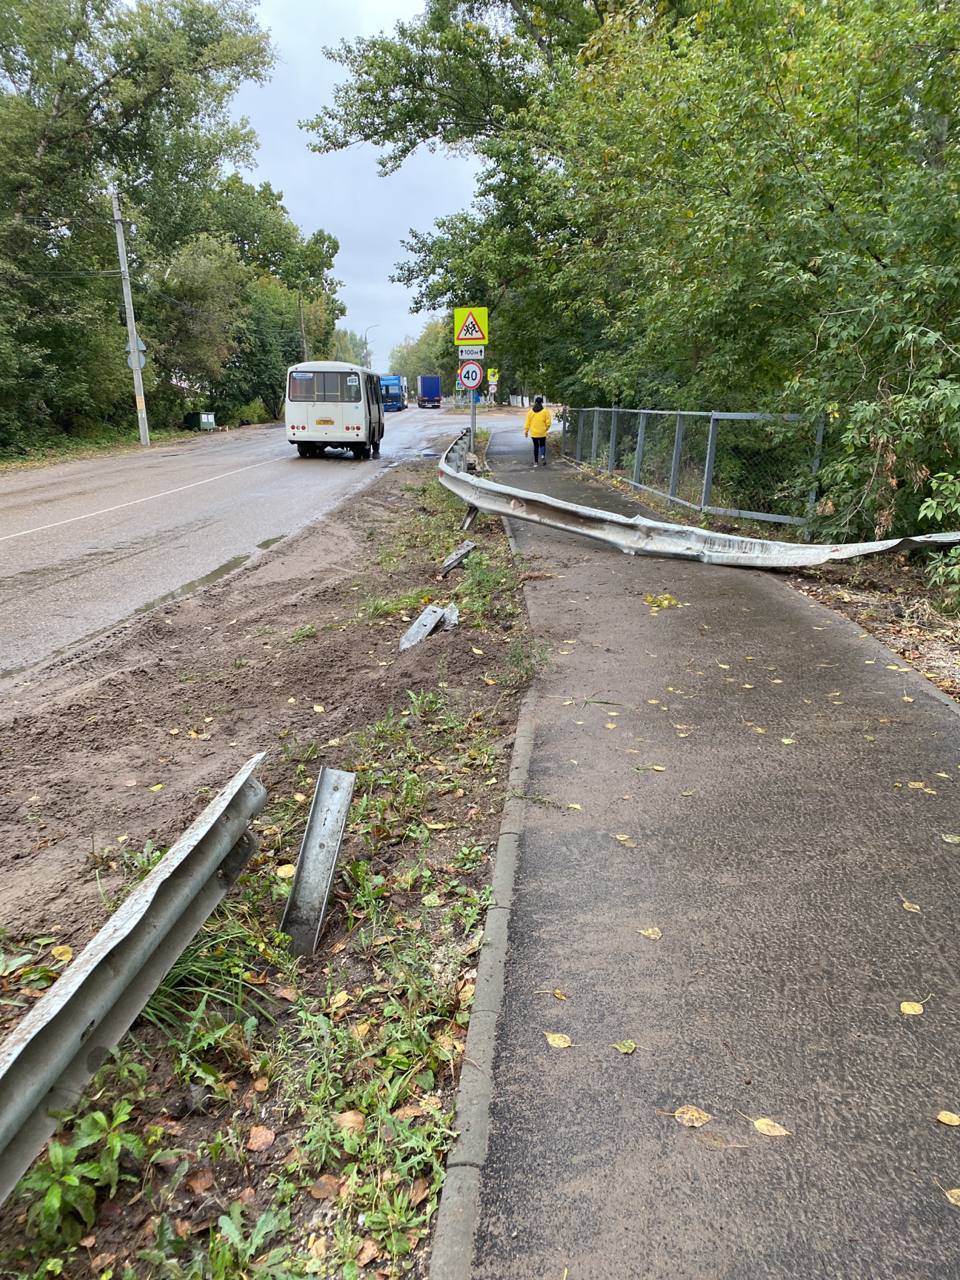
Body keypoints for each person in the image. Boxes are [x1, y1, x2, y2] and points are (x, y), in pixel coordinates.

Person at [524, 396, 552, 467]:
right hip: (542, 432)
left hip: (534, 433)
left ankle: (536, 462)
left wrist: (526, 431)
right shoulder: (545, 411)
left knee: (536, 446)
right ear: (542, 402)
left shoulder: (530, 412)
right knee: (542, 445)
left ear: (535, 402)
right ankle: (542, 456)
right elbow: (548, 422)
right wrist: (546, 428)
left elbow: (527, 422)